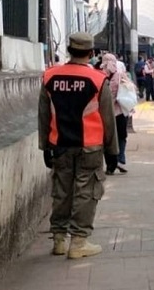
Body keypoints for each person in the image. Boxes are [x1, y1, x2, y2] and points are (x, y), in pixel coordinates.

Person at [38, 32, 119, 259]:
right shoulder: (97, 79)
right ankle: (79, 243)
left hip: (59, 145)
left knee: (61, 191)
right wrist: (113, 151)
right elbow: (107, 118)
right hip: (90, 147)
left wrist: (44, 146)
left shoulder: (50, 77)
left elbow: (43, 116)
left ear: (69, 50)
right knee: (86, 192)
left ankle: (59, 240)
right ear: (91, 53)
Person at [100, 53, 129, 175]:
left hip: (104, 113)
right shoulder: (120, 75)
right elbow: (130, 88)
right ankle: (120, 157)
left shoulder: (100, 75)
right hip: (120, 111)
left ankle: (111, 165)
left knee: (108, 138)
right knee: (121, 135)